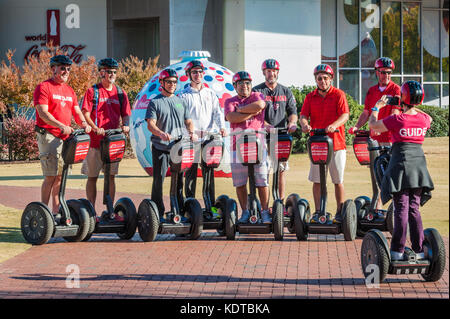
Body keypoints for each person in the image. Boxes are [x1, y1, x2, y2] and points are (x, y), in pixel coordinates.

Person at [368, 81, 434, 260]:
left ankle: (397, 250)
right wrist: (411, 105)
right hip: (419, 167)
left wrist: (377, 106)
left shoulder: (398, 119)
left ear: (403, 98)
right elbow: (429, 117)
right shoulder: (423, 119)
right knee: (414, 208)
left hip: (400, 165)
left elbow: (373, 125)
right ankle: (420, 250)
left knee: (401, 208)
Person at [33, 54, 92, 220]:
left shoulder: (69, 90)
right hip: (49, 136)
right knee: (51, 176)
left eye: (68, 69)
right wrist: (60, 125)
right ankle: (43, 213)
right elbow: (43, 112)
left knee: (60, 176)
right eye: (62, 68)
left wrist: (83, 123)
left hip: (65, 138)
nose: (66, 71)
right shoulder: (44, 87)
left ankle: (56, 212)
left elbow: (77, 111)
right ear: (53, 69)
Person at [80, 58, 131, 218]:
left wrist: (126, 125)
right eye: (109, 71)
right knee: (92, 176)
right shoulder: (92, 91)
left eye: (114, 72)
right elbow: (85, 113)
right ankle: (92, 211)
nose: (112, 74)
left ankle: (110, 210)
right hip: (95, 142)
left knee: (111, 176)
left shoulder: (121, 93)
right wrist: (95, 128)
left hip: (113, 142)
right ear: (101, 72)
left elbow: (126, 114)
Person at [349, 57, 401, 210]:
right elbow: (366, 113)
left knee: (390, 173)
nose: (387, 76)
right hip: (374, 140)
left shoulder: (395, 90)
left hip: (389, 139)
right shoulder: (371, 91)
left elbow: (395, 113)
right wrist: (357, 126)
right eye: (384, 72)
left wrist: (380, 126)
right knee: (376, 173)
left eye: (389, 73)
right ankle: (377, 207)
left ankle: (393, 208)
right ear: (377, 73)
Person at [299, 64, 350, 222]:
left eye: (325, 78)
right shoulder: (310, 97)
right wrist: (305, 125)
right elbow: (303, 116)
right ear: (316, 79)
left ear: (331, 79)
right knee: (317, 180)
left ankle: (340, 213)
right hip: (317, 144)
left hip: (336, 144)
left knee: (337, 180)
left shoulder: (338, 94)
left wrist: (334, 125)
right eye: (319, 78)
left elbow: (345, 115)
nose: (322, 81)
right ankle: (318, 212)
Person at [145, 68, 197, 220]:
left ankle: (178, 209)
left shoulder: (180, 102)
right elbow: (150, 124)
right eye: (168, 82)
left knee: (179, 179)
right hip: (160, 147)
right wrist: (160, 133)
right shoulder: (155, 102)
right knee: (159, 180)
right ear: (162, 83)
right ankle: (157, 212)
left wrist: (191, 132)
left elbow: (188, 120)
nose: (172, 84)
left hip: (178, 147)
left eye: (174, 82)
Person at [224, 71, 271, 224]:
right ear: (235, 86)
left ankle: (264, 211)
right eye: (240, 84)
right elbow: (231, 118)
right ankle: (245, 211)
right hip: (237, 145)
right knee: (240, 181)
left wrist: (241, 110)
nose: (244, 86)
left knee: (262, 180)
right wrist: (251, 114)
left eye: (247, 83)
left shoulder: (257, 96)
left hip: (258, 143)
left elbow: (260, 105)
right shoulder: (229, 101)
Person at [179, 60, 227, 200]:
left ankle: (210, 205)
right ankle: (190, 204)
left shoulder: (210, 93)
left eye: (200, 72)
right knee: (190, 173)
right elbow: (181, 116)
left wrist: (222, 127)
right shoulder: (183, 95)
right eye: (194, 72)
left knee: (208, 175)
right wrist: (189, 133)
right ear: (189, 74)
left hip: (208, 139)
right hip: (191, 139)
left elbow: (217, 112)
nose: (198, 74)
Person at [253, 58, 298, 202]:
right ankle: (264, 205)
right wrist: (265, 125)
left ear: (277, 72)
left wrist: (292, 123)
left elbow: (293, 112)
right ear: (264, 73)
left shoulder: (286, 91)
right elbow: (255, 114)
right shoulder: (257, 91)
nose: (271, 73)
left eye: (273, 71)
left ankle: (280, 203)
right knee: (263, 172)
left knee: (281, 171)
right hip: (263, 136)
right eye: (268, 71)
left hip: (281, 136)